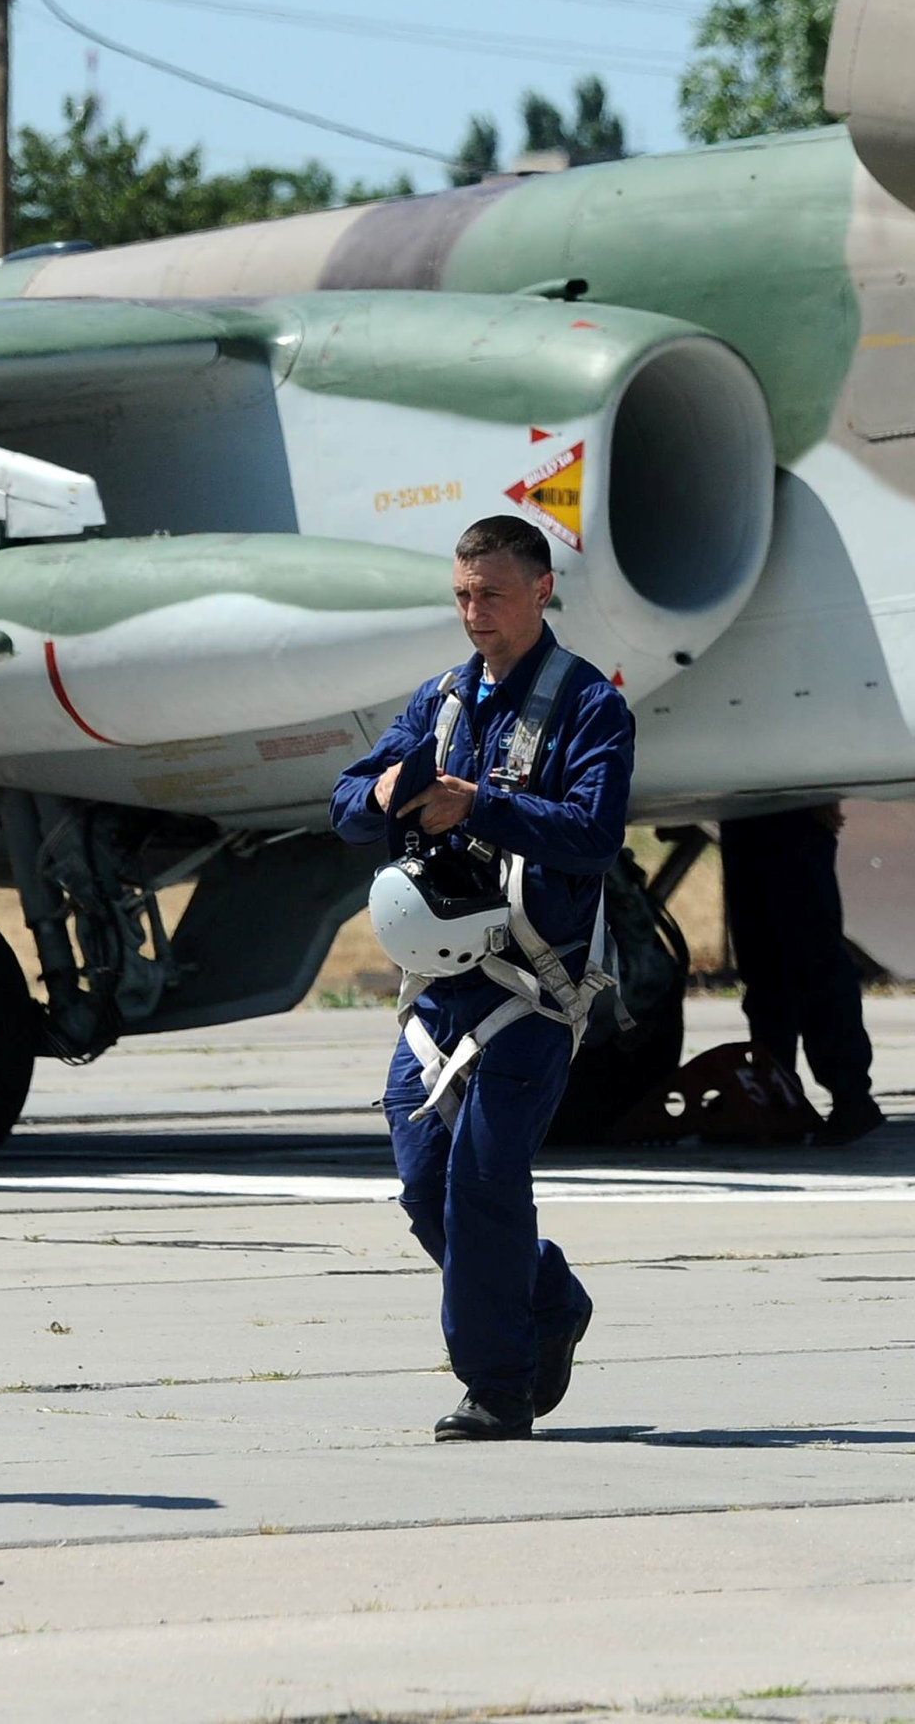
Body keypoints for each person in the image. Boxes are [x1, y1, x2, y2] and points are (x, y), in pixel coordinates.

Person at [332, 514, 630, 1441]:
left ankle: (495, 1388)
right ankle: (548, 1298)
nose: (475, 613)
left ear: (541, 590)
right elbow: (347, 800)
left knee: (486, 1182)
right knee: (425, 1187)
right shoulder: (441, 702)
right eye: (463, 595)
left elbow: (592, 835)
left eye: (492, 595)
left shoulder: (591, 707)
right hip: (439, 994)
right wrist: (381, 794)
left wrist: (483, 805)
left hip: (534, 992)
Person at [720, 806, 885, 1146]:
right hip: (748, 809)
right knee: (767, 966)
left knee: (812, 961)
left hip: (789, 808)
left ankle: (848, 1096)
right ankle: (780, 1098)